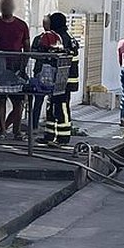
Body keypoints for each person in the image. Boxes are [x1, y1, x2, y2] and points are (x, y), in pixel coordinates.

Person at [0, 0, 30, 140]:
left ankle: (15, 130)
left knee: (19, 101)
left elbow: (27, 46)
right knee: (1, 99)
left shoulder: (22, 25)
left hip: (16, 66)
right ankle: (3, 129)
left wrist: (23, 64)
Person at [44, 12, 80, 147]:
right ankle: (50, 135)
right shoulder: (66, 35)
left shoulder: (61, 37)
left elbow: (56, 55)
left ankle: (63, 137)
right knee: (51, 105)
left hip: (64, 79)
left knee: (61, 106)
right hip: (63, 78)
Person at [30, 15, 63, 130]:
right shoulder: (39, 39)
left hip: (53, 73)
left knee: (53, 101)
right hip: (40, 72)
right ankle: (34, 126)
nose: (46, 26)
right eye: (45, 23)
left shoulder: (58, 38)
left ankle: (52, 127)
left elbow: (62, 53)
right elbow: (32, 53)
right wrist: (43, 54)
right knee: (38, 100)